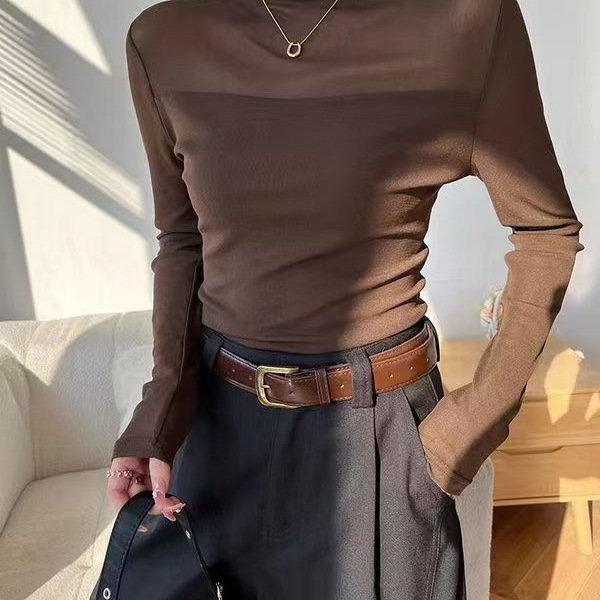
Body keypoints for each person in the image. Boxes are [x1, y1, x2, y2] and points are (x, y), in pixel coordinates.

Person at [105, 0, 584, 598]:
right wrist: (157, 416)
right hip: (220, 435)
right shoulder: (164, 39)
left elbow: (545, 230)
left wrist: (466, 430)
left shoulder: (466, 22)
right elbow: (183, 240)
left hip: (383, 441)